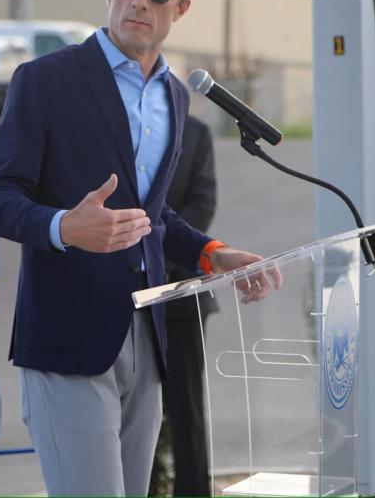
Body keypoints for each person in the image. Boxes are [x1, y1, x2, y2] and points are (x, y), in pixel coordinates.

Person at [0, 0, 278, 497]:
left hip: (149, 337)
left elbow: (151, 217)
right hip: (68, 339)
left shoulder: (174, 96)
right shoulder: (45, 81)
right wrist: (64, 226)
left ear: (180, 7)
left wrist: (212, 253)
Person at [160, 114, 218, 496]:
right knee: (130, 410)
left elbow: (202, 203)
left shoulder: (195, 132)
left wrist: (158, 262)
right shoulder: (112, 127)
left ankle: (193, 491)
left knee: (187, 410)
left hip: (180, 294)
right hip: (121, 298)